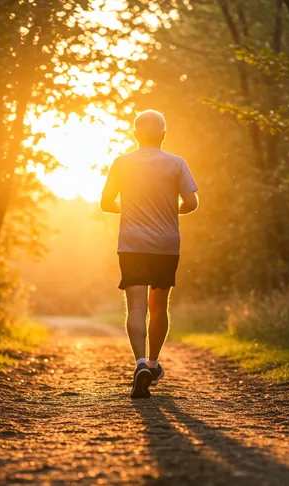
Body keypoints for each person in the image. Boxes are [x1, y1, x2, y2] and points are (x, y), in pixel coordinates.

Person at [100, 110, 199, 399]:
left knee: (136, 308)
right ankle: (154, 364)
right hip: (166, 245)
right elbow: (191, 203)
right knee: (159, 307)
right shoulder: (176, 163)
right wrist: (172, 211)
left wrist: (128, 210)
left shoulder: (121, 163)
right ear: (164, 135)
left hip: (132, 243)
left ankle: (140, 363)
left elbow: (105, 203)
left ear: (135, 135)